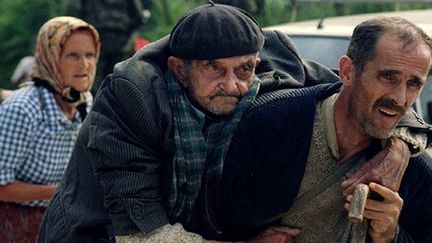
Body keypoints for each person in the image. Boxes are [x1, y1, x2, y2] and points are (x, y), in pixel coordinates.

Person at [37, 3, 429, 243]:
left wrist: (400, 145)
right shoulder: (132, 96)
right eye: (214, 69)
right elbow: (142, 233)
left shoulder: (272, 59)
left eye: (244, 69)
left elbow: (364, 91)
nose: (235, 85)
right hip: (97, 230)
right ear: (179, 68)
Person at [218, 16, 432, 242]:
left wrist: (392, 235)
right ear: (347, 71)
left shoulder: (414, 170)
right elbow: (208, 219)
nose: (400, 98)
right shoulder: (270, 124)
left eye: (414, 84)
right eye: (388, 76)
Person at [0, 16, 99, 242]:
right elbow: (1, 186)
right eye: (72, 55)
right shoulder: (22, 109)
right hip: (14, 223)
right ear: (51, 58)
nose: (84, 65)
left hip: (61, 217)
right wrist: (63, 191)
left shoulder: (84, 101)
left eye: (90, 55)